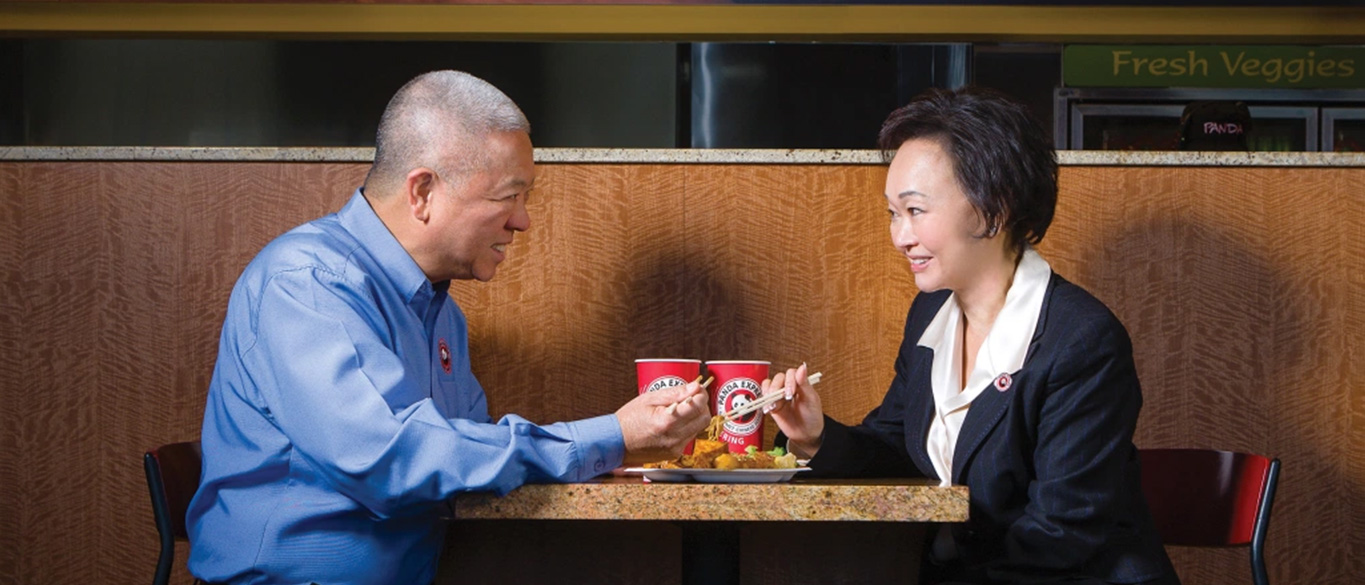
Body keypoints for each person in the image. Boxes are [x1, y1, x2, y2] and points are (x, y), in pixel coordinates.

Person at [186, 70, 711, 585]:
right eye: (508, 196)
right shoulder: (307, 283)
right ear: (422, 192)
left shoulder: (440, 312)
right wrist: (605, 440)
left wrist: (602, 455)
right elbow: (394, 460)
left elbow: (463, 458)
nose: (523, 220)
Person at [761, 87, 1180, 585]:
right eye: (893, 213)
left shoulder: (1081, 341)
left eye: (916, 210)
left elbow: (1061, 533)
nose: (900, 237)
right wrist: (815, 436)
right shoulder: (931, 313)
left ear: (993, 209)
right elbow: (902, 448)